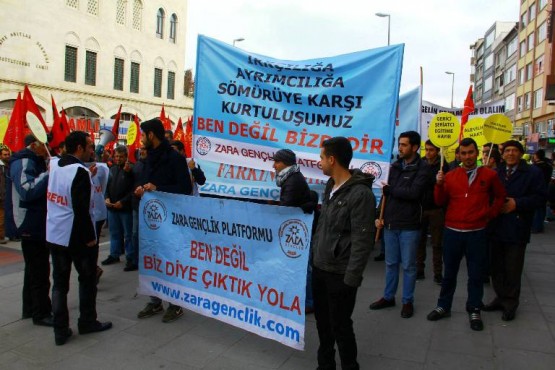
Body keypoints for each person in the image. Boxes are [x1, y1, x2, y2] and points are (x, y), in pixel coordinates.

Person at [427, 138, 506, 331]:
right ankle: (443, 306)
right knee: (449, 274)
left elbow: (500, 196)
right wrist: (438, 185)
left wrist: (490, 214)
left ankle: (474, 309)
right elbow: (439, 201)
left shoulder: (489, 175)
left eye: (471, 152)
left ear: (477, 153)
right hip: (452, 232)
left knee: (476, 275)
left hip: (476, 233)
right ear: (459, 155)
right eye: (463, 153)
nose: (467, 156)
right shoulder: (451, 175)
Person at [311, 137, 375, 370]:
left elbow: (362, 240)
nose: (319, 162)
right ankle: (325, 364)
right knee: (323, 325)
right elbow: (323, 227)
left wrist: (351, 279)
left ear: (332, 159)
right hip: (320, 268)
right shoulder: (330, 186)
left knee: (341, 327)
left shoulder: (360, 194)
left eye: (321, 157)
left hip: (340, 274)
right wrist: (314, 259)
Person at [46, 131, 112, 345]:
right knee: (87, 279)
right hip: (75, 236)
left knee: (59, 284)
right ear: (79, 148)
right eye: (90, 146)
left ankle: (60, 329)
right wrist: (90, 238)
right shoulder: (79, 172)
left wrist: (88, 177)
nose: (93, 150)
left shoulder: (55, 165)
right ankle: (87, 321)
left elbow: (64, 193)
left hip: (55, 233)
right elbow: (81, 208)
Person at [135, 118, 192, 323]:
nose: (141, 139)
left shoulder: (174, 158)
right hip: (152, 221)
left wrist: (158, 189)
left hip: (171, 222)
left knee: (170, 261)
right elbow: (147, 182)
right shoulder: (149, 157)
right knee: (152, 259)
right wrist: (142, 189)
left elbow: (185, 189)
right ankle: (155, 299)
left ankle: (175, 304)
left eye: (143, 135)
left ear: (151, 135)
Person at [369, 131, 431, 319]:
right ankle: (389, 297)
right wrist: (379, 216)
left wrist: (392, 190)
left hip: (410, 225)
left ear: (414, 147)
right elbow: (386, 194)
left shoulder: (423, 168)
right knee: (390, 263)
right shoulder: (395, 167)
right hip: (390, 223)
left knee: (409, 266)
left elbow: (414, 193)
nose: (400, 148)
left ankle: (407, 300)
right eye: (400, 144)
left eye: (404, 145)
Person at [483, 141, 546, 321]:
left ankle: (510, 303)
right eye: (507, 151)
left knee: (512, 268)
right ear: (502, 154)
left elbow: (540, 198)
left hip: (517, 228)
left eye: (515, 151)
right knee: (497, 267)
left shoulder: (533, 173)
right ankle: (500, 297)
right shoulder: (497, 172)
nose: (510, 154)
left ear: (521, 154)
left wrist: (517, 204)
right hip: (496, 227)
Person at [7, 135, 52, 325]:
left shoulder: (32, 160)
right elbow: (27, 189)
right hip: (29, 223)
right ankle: (40, 313)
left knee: (33, 269)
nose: (46, 148)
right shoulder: (24, 161)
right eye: (44, 144)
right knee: (39, 270)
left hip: (34, 222)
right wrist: (48, 173)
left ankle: (31, 308)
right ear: (34, 145)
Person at [272, 148, 317, 313]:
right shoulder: (291, 177)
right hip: (297, 227)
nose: (273, 165)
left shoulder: (292, 180)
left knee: (304, 266)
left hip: (299, 229)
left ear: (285, 162)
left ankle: (310, 302)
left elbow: (286, 208)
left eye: (276, 161)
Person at [416, 140, 447, 284]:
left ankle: (438, 273)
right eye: (426, 150)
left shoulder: (443, 165)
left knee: (437, 243)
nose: (428, 153)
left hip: (436, 209)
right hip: (421, 207)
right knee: (419, 240)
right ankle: (419, 269)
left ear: (437, 151)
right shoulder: (420, 163)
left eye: (431, 150)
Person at [101, 145, 136, 271]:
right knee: (114, 233)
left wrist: (123, 202)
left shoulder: (131, 169)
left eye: (121, 157)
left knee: (128, 234)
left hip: (125, 208)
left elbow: (133, 190)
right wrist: (106, 198)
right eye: (116, 156)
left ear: (126, 157)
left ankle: (131, 258)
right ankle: (114, 254)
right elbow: (107, 186)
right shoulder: (113, 169)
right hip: (112, 208)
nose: (118, 159)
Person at [531, 149, 553, 233]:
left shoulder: (536, 166)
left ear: (537, 156)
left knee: (537, 208)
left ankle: (536, 227)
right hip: (546, 187)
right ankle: (540, 226)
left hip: (536, 188)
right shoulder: (548, 165)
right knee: (542, 208)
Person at [0, 145, 10, 244]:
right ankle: (1, 237)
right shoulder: (2, 167)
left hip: (4, 194)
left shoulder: (6, 166)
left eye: (8, 154)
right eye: (4, 155)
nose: (7, 156)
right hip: (1, 195)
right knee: (1, 217)